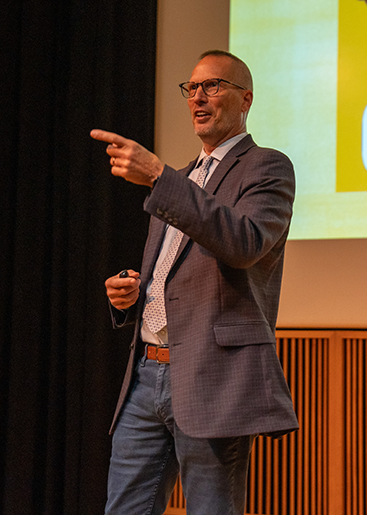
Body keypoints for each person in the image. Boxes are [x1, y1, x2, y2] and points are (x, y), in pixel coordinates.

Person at [90, 49, 298, 515]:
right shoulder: (181, 180)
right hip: (146, 374)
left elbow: (243, 242)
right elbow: (175, 273)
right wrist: (133, 293)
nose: (198, 97)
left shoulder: (266, 167)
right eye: (191, 88)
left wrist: (161, 177)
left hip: (210, 375)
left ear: (245, 99)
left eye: (213, 86)